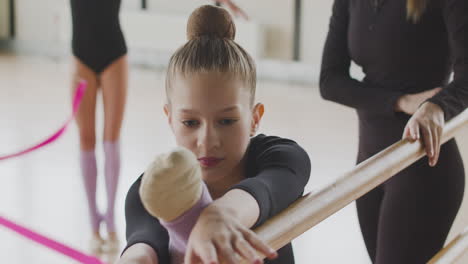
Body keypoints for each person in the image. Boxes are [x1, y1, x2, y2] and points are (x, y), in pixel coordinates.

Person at [119, 5, 311, 264]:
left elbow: (278, 179)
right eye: (190, 122)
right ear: (170, 119)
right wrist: (136, 257)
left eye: (227, 120)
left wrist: (222, 214)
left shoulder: (277, 158)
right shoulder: (152, 191)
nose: (207, 140)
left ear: (254, 119)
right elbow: (143, 244)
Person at [319, 0, 467, 263]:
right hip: (369, 165)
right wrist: (400, 101)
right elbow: (330, 81)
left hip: (423, 166)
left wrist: (437, 106)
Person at [70, 0, 128, 253]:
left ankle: (112, 221)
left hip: (114, 55)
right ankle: (94, 224)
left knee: (111, 139)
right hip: (81, 57)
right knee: (86, 139)